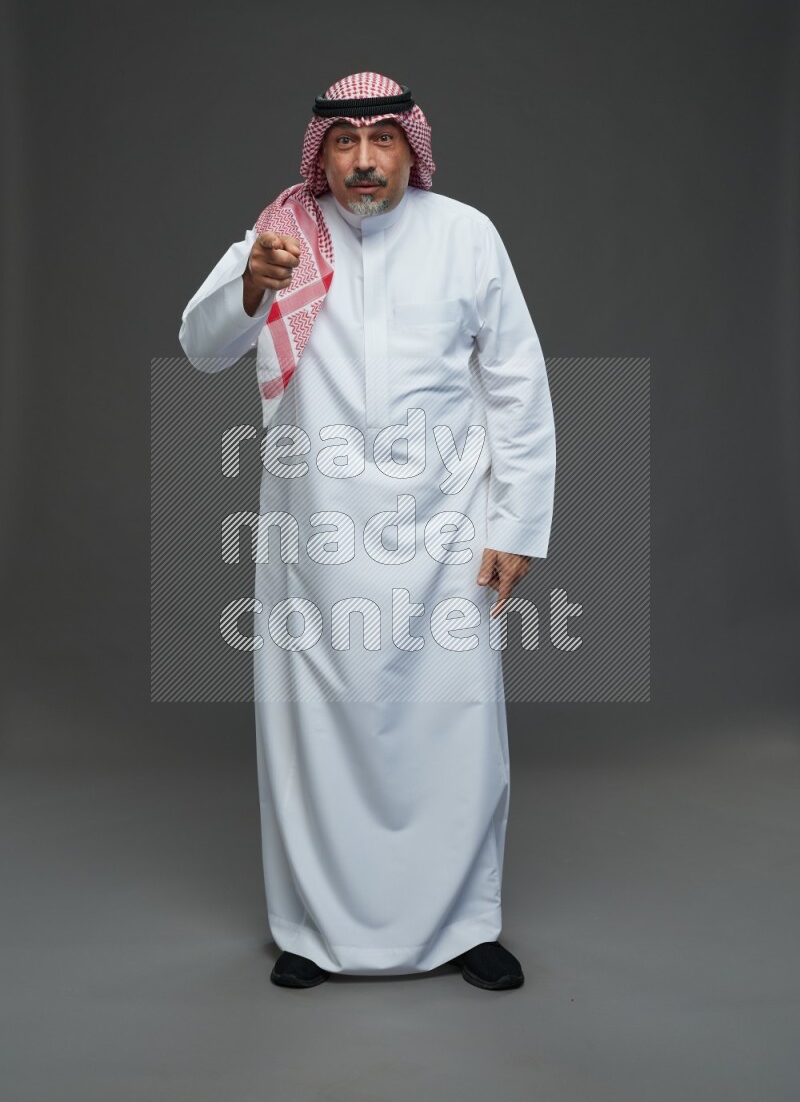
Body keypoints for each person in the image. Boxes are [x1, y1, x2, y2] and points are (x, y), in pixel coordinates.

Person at [178, 72, 556, 991]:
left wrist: (517, 523)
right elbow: (199, 347)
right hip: (316, 533)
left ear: (410, 148)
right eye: (344, 141)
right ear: (322, 153)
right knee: (315, 730)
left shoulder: (466, 235)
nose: (363, 160)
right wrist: (249, 288)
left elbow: (517, 382)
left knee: (455, 728)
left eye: (382, 138)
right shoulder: (280, 240)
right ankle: (312, 928)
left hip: (447, 529)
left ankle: (466, 924)